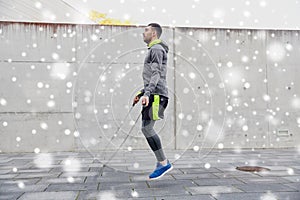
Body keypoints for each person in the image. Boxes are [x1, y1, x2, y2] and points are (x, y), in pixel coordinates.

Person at [133, 23, 173, 180]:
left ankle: (163, 163)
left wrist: (148, 93)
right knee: (146, 128)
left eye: (146, 30)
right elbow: (155, 76)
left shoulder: (156, 49)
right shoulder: (155, 49)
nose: (144, 33)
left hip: (156, 96)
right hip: (154, 94)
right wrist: (141, 93)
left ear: (154, 34)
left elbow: (156, 74)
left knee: (147, 129)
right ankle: (162, 162)